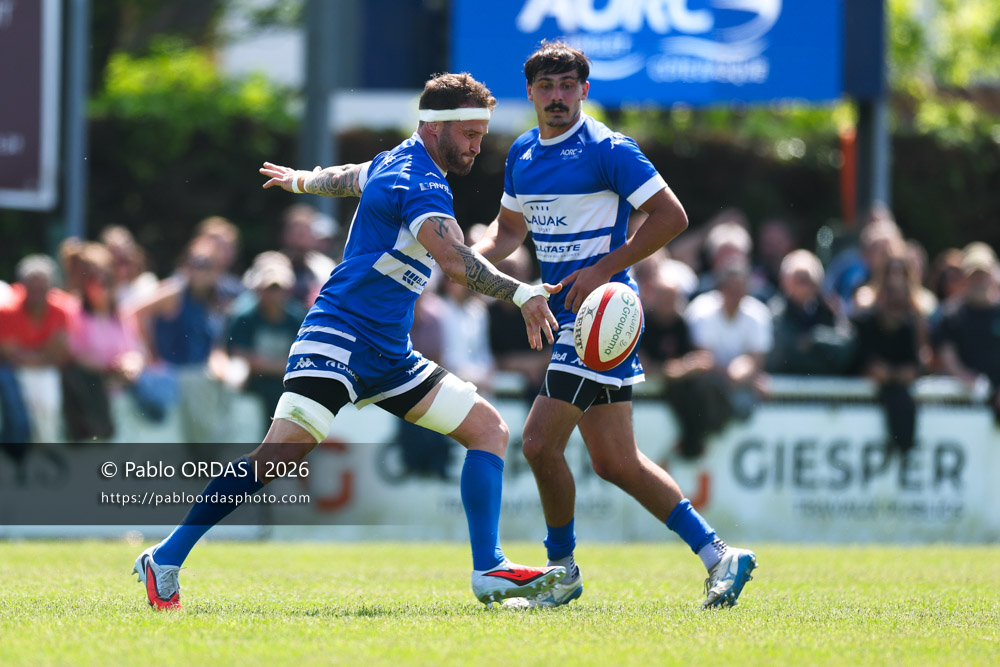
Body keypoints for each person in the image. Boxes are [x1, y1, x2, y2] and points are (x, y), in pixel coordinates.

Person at [133, 72, 566, 610]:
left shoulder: (399, 160)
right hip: (337, 337)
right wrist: (523, 293)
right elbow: (455, 262)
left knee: (488, 429)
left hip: (388, 351)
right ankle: (166, 558)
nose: (478, 146)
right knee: (277, 457)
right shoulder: (422, 182)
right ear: (434, 129)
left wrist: (302, 181)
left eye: (481, 134)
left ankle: (488, 570)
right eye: (470, 135)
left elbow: (349, 178)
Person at [470, 41, 757, 609]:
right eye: (546, 86)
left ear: (584, 89)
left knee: (536, 442)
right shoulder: (523, 152)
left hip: (602, 316)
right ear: (529, 92)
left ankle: (561, 571)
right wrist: (464, 253)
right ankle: (720, 555)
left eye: (567, 85)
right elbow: (506, 234)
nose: (556, 96)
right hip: (567, 315)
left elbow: (672, 216)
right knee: (615, 462)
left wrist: (602, 268)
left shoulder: (608, 148)